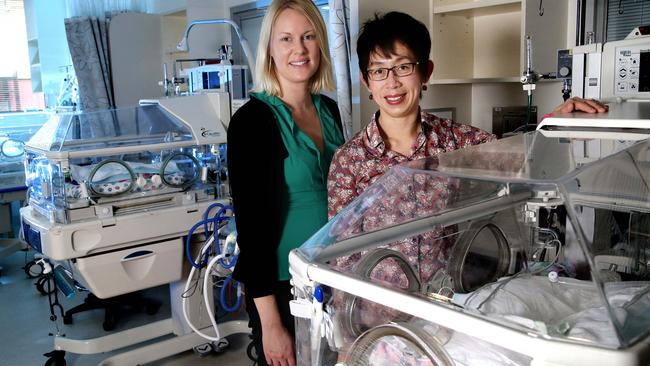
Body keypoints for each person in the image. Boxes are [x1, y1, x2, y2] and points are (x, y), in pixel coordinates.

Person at [327, 12, 608, 286]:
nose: (392, 82)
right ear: (366, 81)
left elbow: (521, 158)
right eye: (378, 71)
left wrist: (554, 123)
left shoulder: (453, 140)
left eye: (403, 67)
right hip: (378, 311)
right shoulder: (349, 160)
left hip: (443, 300)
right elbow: (340, 252)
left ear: (426, 71)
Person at [227, 1, 344, 365]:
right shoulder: (252, 121)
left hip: (335, 275)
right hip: (283, 286)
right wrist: (271, 325)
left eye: (309, 36)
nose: (299, 49)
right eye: (287, 39)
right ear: (270, 50)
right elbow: (251, 230)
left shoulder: (329, 110)